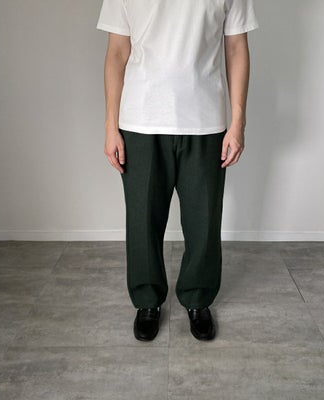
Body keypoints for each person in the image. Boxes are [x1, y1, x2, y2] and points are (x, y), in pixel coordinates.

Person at [96, 0, 259, 341]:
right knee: (142, 219)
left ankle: (198, 299)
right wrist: (111, 126)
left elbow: (236, 47)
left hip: (205, 119)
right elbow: (117, 52)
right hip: (140, 119)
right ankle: (147, 301)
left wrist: (238, 122)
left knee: (204, 220)